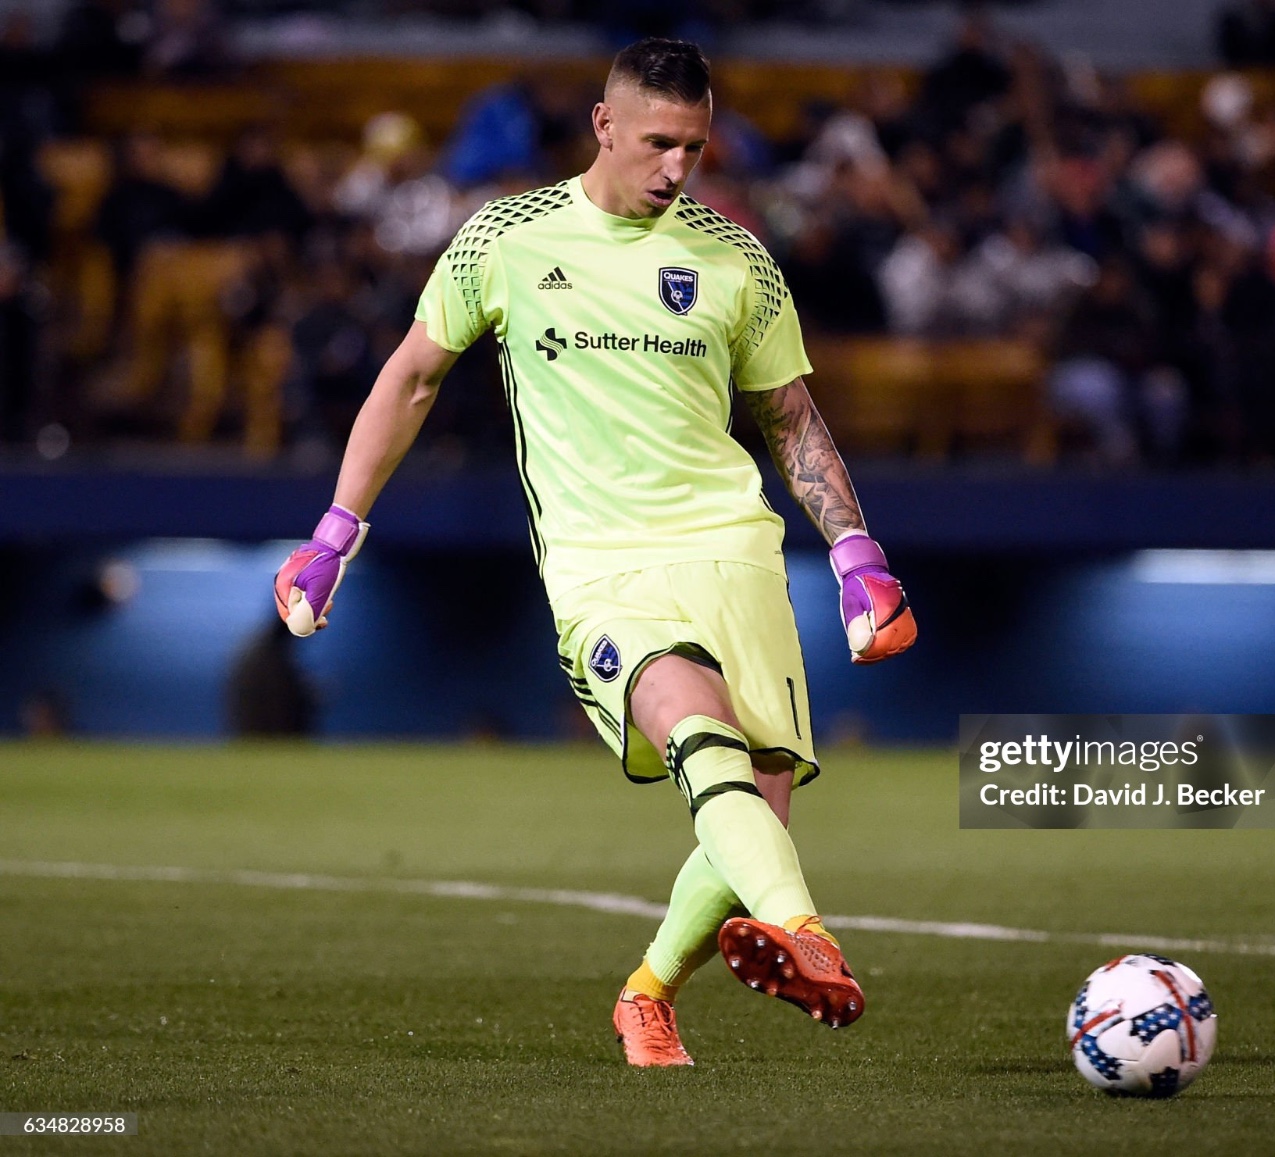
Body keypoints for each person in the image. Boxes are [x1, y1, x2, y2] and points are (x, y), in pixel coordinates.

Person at [272, 39, 917, 1067]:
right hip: (600, 565)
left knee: (755, 810)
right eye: (658, 142)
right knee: (698, 737)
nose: (677, 167)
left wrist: (855, 553)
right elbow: (412, 378)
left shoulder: (735, 257)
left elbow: (789, 416)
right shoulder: (508, 237)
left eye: (695, 147)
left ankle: (647, 992)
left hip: (734, 551)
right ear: (604, 125)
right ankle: (811, 936)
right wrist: (334, 533)